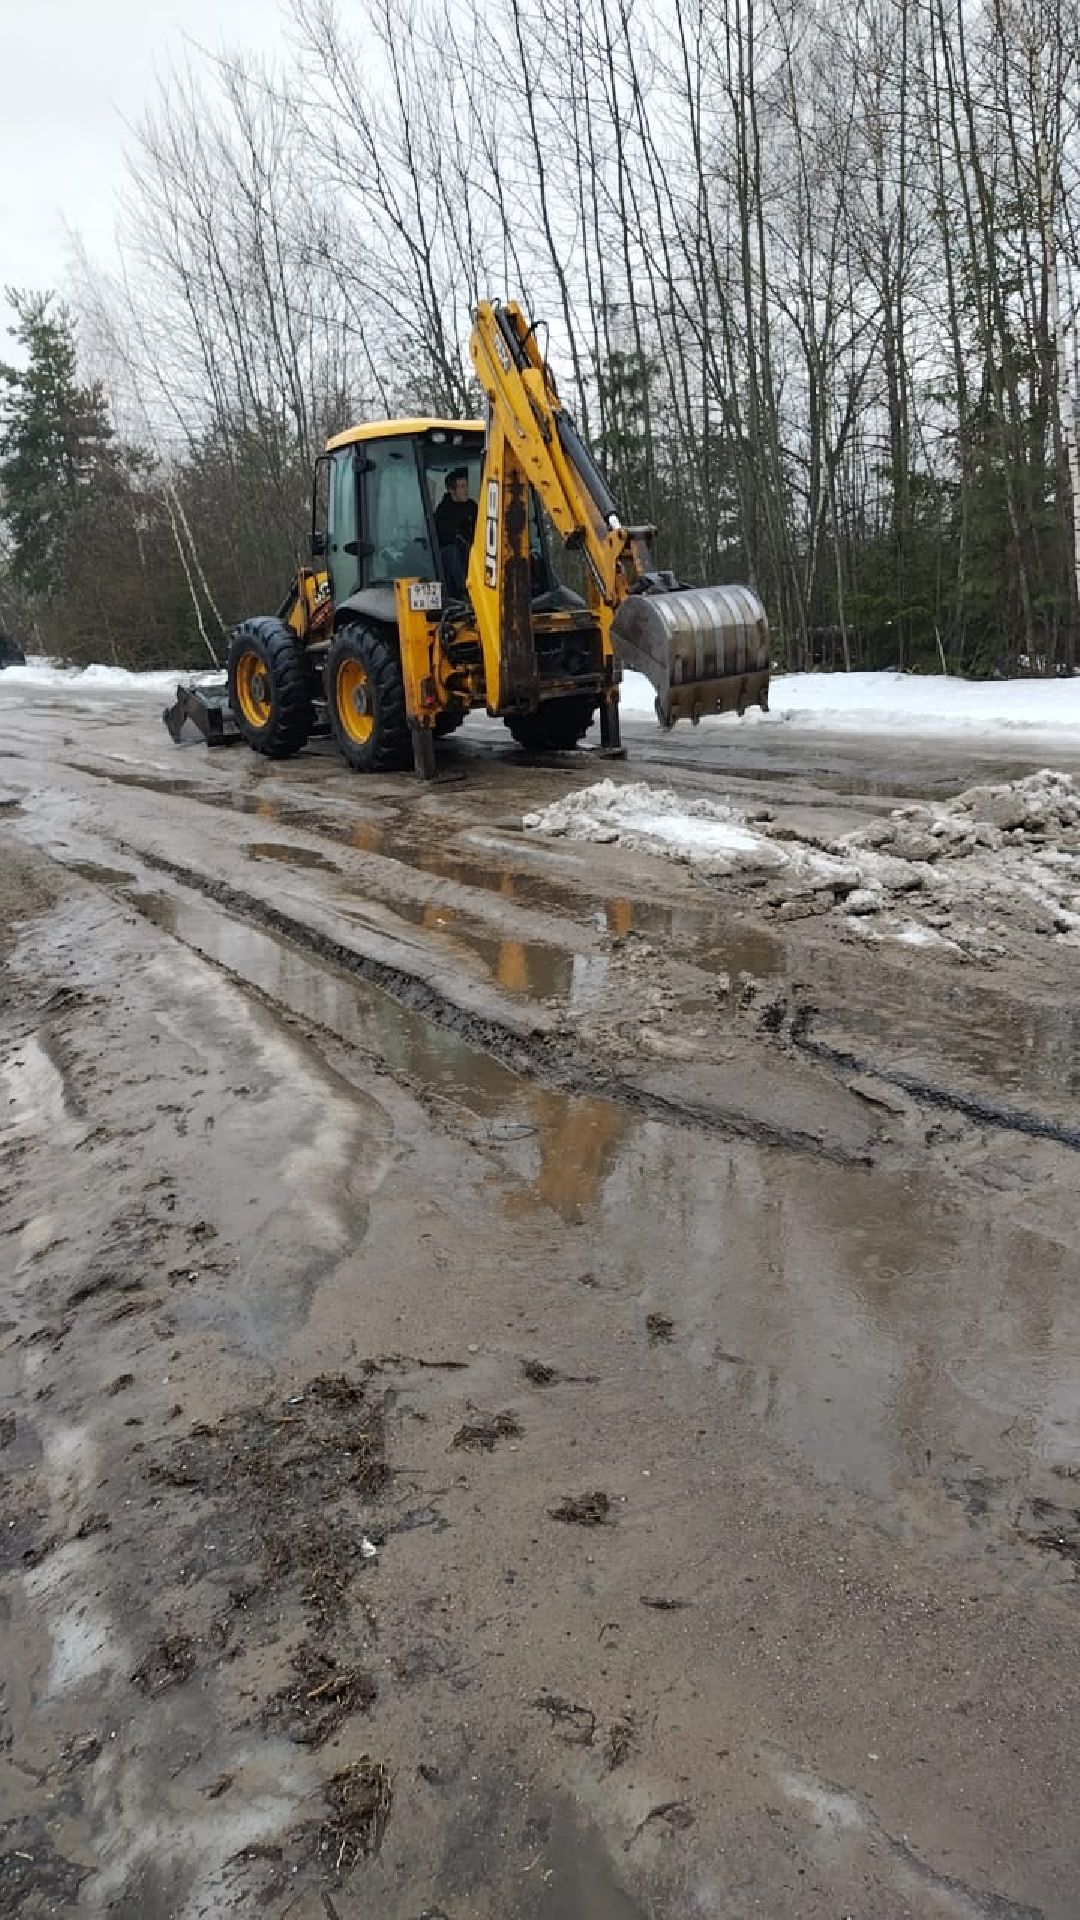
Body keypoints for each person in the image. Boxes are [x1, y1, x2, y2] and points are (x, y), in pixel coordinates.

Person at [434, 467, 477, 590]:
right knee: (450, 552)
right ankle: (464, 589)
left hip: (473, 550)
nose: (466, 490)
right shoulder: (443, 512)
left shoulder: (472, 506)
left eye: (466, 486)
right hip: (454, 555)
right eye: (462, 487)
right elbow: (446, 537)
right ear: (451, 490)